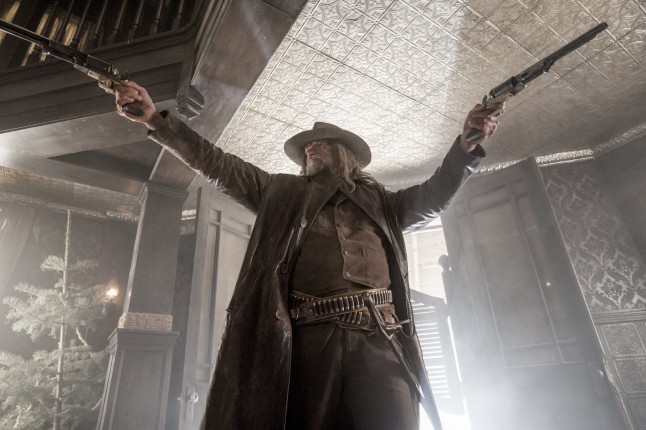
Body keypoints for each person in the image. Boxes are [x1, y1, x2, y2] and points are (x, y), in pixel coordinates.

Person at [114, 80, 503, 430]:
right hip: (309, 341)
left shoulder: (382, 202)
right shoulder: (281, 192)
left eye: (321, 142)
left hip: (381, 337)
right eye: (306, 147)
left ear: (344, 153)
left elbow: (434, 196)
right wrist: (156, 121)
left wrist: (465, 147)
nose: (309, 148)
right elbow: (218, 164)